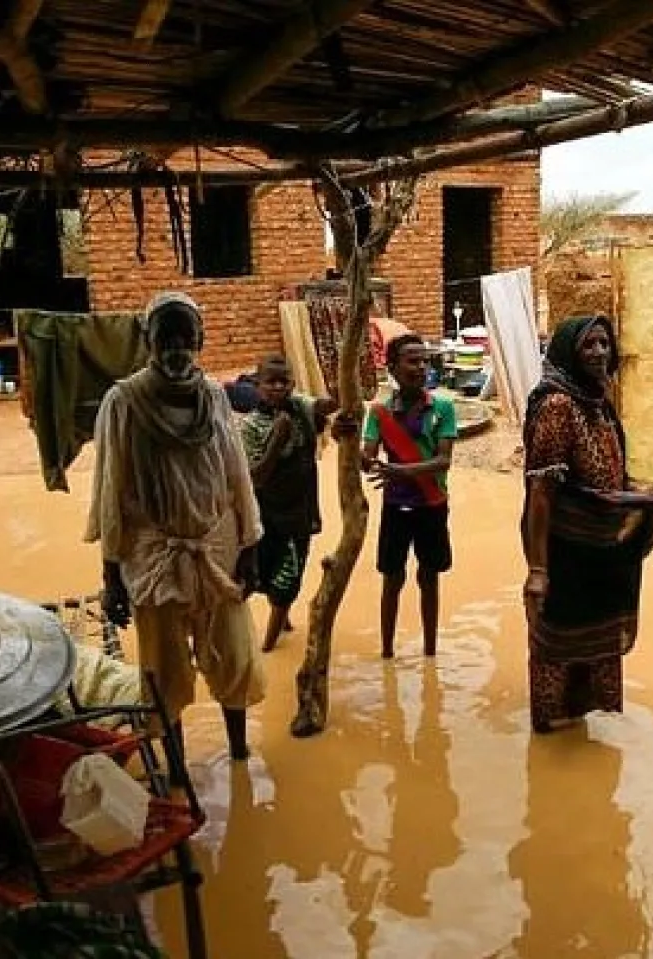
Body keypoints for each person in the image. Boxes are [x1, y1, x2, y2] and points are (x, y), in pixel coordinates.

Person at [86, 291, 265, 761]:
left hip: (218, 552)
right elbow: (110, 492)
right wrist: (111, 576)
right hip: (152, 558)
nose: (177, 348)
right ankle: (179, 765)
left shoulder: (214, 398)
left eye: (186, 337)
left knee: (234, 658)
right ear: (149, 341)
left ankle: (241, 751)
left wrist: (251, 546)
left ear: (201, 340)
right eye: (167, 338)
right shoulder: (123, 403)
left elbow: (237, 475)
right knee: (163, 675)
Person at [520, 315, 653, 735]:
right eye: (589, 345)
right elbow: (543, 492)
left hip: (602, 548)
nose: (600, 352)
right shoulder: (557, 405)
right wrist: (537, 570)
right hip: (565, 547)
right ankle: (550, 723)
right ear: (570, 353)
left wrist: (635, 494)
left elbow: (609, 475)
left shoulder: (597, 401)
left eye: (605, 343)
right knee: (557, 634)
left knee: (594, 629)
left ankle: (578, 716)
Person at [361, 334, 458, 659]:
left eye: (424, 361)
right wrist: (353, 445)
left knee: (429, 577)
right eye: (412, 361)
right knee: (392, 577)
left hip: (432, 505)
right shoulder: (379, 412)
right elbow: (367, 458)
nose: (420, 367)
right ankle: (387, 651)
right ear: (392, 368)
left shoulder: (442, 406)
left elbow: (444, 460)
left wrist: (401, 472)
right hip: (395, 506)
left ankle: (430, 650)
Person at [239, 355, 339, 652]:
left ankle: (272, 634)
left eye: (285, 381)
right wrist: (276, 443)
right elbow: (254, 477)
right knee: (253, 573)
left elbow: (325, 406)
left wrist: (340, 388)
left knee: (289, 573)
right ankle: (264, 647)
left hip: (299, 512)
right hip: (265, 513)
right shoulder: (251, 426)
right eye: (271, 382)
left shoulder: (298, 406)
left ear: (293, 384)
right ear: (258, 386)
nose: (279, 387)